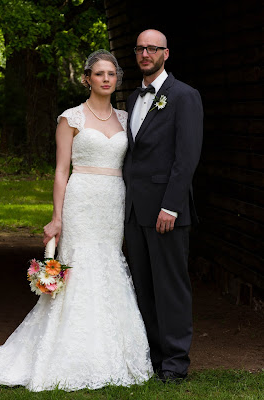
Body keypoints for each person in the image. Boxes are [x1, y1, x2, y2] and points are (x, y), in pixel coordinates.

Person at [0, 49, 153, 392]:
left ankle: (112, 349)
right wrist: (56, 217)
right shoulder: (71, 118)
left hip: (113, 200)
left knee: (108, 264)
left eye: (111, 74)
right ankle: (66, 352)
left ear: (117, 80)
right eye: (99, 73)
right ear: (87, 78)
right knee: (80, 266)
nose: (106, 79)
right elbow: (60, 171)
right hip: (81, 199)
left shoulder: (127, 118)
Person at [123, 30, 203, 383]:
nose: (145, 53)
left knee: (170, 288)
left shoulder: (184, 96)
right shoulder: (131, 98)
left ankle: (175, 364)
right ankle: (154, 358)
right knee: (144, 286)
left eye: (152, 48)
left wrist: (170, 206)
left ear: (165, 53)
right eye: (140, 48)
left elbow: (186, 157)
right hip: (135, 211)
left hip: (165, 212)